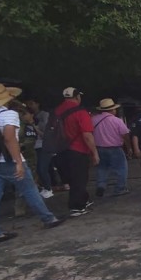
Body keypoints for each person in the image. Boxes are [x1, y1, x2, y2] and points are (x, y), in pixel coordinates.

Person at [0, 84, 64, 245]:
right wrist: (18, 161)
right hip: (9, 161)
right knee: (30, 190)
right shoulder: (8, 114)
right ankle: (48, 218)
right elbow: (10, 138)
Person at [54, 87, 98, 217]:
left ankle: (84, 199)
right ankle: (76, 206)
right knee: (80, 178)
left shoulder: (57, 111)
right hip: (77, 149)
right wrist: (95, 152)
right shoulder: (80, 112)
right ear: (77, 97)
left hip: (61, 150)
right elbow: (87, 135)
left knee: (72, 178)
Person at [91, 98, 131, 197]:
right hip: (115, 148)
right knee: (121, 169)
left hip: (99, 148)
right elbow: (125, 134)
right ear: (112, 110)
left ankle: (101, 185)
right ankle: (120, 188)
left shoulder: (93, 119)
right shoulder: (117, 120)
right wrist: (129, 147)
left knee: (102, 168)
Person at [24, 99, 56, 199]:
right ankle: (43, 187)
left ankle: (48, 188)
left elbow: (45, 135)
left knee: (42, 168)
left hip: (43, 146)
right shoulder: (24, 123)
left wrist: (33, 125)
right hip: (32, 147)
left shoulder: (43, 117)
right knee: (37, 169)